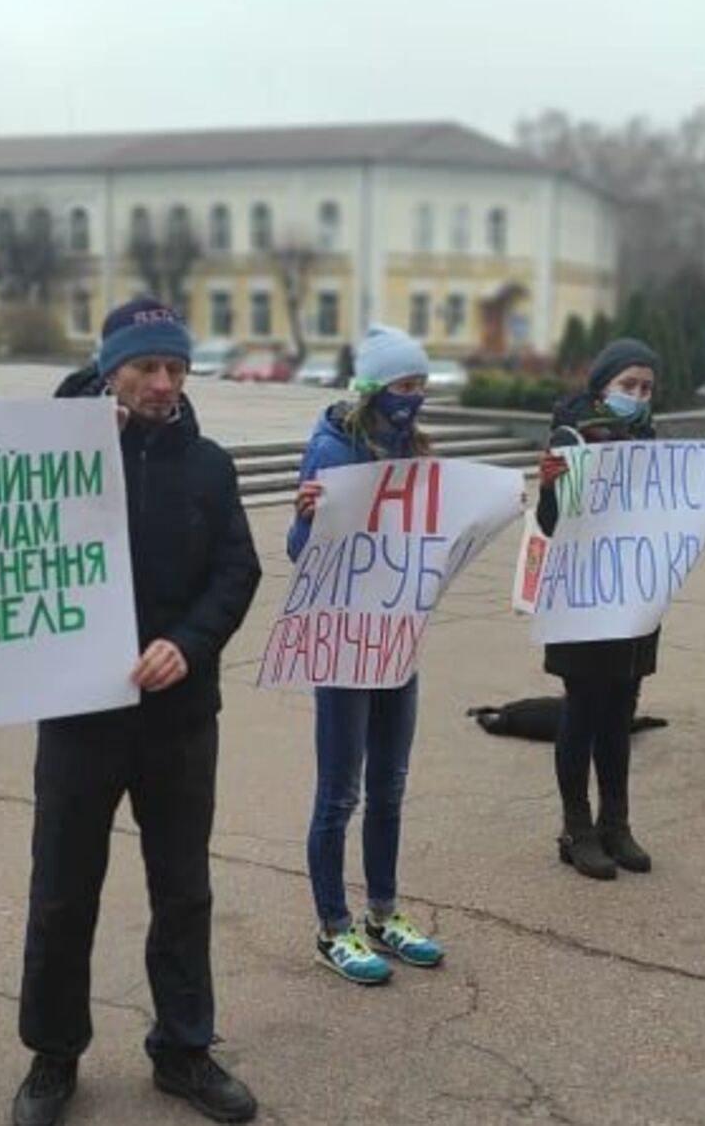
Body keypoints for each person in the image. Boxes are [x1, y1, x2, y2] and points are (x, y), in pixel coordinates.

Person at [14, 298, 262, 1126]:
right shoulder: (50, 458)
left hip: (179, 716)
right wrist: (83, 446)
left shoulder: (210, 465)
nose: (164, 384)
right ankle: (54, 1055)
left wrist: (187, 643)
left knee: (184, 889)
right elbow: (6, 551)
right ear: (109, 368)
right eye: (146, 367)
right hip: (81, 715)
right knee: (62, 890)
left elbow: (237, 571)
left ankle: (184, 1049)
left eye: (176, 369)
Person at [285, 325, 444, 985]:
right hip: (346, 641)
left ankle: (384, 912)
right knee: (340, 793)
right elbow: (301, 553)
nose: (415, 398)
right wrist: (305, 517)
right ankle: (333, 927)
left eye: (421, 387)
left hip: (396, 637)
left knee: (390, 787)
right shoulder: (331, 448)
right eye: (406, 385)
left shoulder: (411, 446)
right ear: (376, 385)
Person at [535, 339, 666, 876]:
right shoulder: (571, 437)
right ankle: (577, 826)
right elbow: (549, 524)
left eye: (646, 388)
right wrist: (550, 490)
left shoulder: (651, 442)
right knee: (583, 711)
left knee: (620, 713)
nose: (637, 396)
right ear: (602, 386)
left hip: (634, 600)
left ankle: (618, 823)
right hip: (584, 602)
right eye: (627, 385)